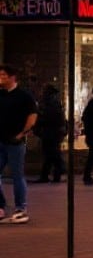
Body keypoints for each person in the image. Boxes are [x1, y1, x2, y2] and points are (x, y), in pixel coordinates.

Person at [0, 63, 38, 223]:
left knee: (17, 175)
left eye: (3, 76)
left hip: (15, 141)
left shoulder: (24, 95)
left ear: (12, 77)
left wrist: (22, 133)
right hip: (0, 140)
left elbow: (32, 115)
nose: (0, 79)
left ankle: (21, 208)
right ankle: (1, 206)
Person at [35, 84, 67, 183]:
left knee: (52, 154)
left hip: (50, 132)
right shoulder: (55, 103)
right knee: (50, 155)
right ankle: (50, 175)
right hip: (53, 132)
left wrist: (39, 127)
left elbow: (46, 118)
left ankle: (58, 171)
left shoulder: (49, 104)